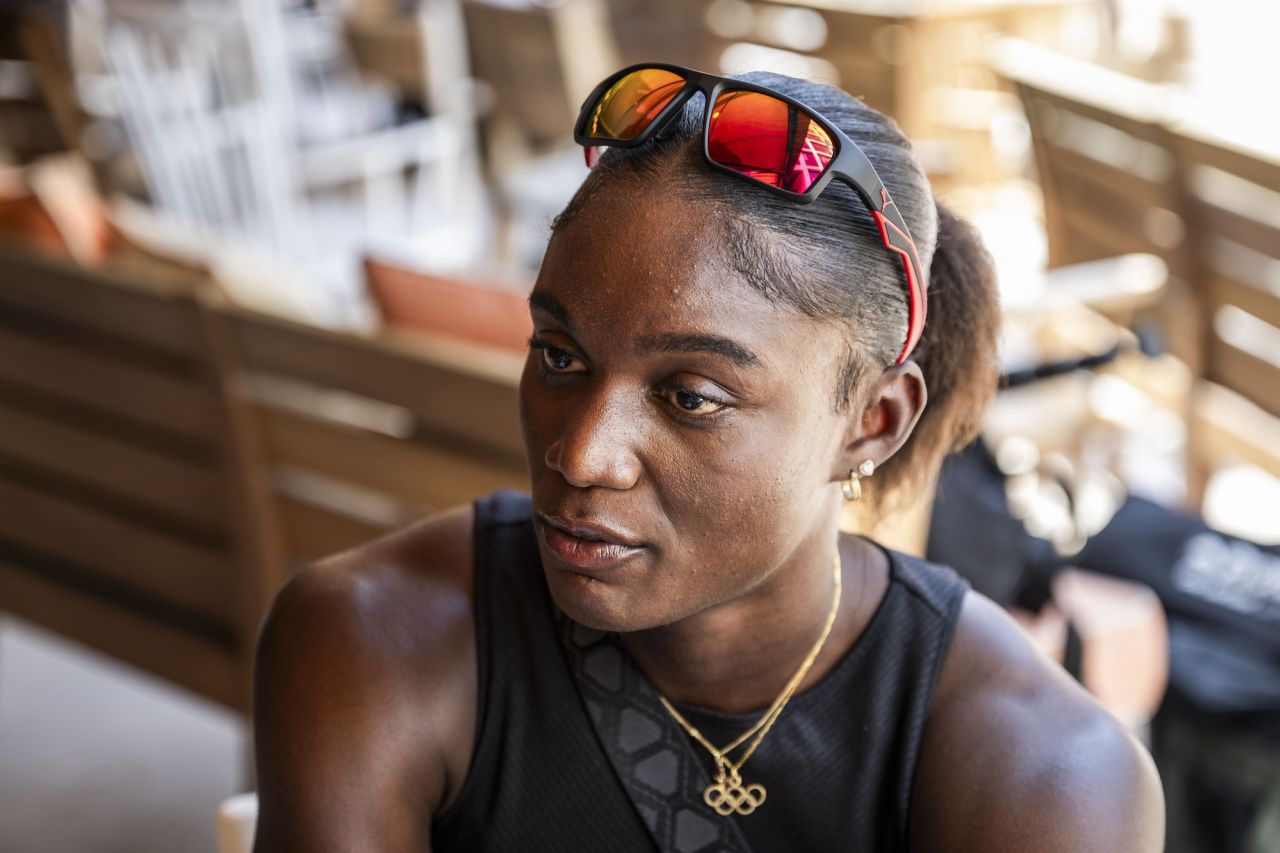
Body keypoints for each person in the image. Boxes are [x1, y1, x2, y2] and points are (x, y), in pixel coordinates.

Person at [251, 64, 1164, 852]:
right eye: (560, 356)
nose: (582, 454)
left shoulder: (1042, 772)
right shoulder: (376, 639)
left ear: (872, 422)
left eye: (691, 396)